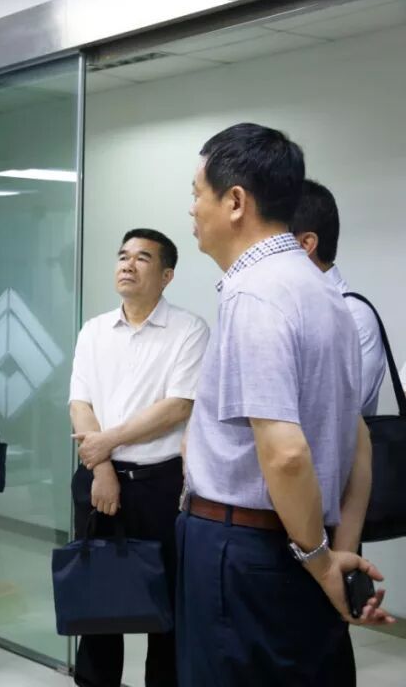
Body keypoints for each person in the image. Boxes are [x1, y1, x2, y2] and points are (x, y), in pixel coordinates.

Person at [179, 122, 393, 687]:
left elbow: (287, 454)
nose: (192, 209)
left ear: (235, 202)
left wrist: (319, 561)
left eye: (197, 193)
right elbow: (357, 438)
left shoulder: (256, 293)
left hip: (247, 552)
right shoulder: (325, 292)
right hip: (299, 543)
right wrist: (336, 554)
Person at [69, 228, 208, 687]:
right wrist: (103, 467)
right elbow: (80, 404)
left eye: (143, 258)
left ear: (167, 276)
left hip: (160, 485)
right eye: (123, 255)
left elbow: (178, 406)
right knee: (97, 601)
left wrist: (105, 443)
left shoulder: (189, 330)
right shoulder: (94, 330)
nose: (128, 264)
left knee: (164, 606)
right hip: (97, 480)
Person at [291, 179, 386, 416]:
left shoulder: (353, 316)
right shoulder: (280, 308)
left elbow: (336, 413)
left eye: (274, 239)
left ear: (306, 244)